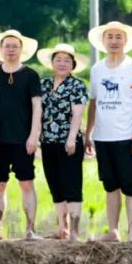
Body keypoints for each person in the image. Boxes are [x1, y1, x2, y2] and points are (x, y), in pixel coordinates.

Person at [84, 21, 132, 243]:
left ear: (126, 41)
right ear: (103, 41)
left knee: (130, 185)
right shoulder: (97, 69)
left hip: (127, 138)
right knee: (110, 185)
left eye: (118, 37)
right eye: (110, 37)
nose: (114, 41)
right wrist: (88, 132)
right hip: (102, 137)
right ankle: (113, 230)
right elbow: (94, 102)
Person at [0, 29, 41, 240]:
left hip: (23, 139)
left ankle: (31, 229)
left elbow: (37, 107)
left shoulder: (31, 75)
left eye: (14, 46)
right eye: (7, 46)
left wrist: (34, 135)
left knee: (26, 182)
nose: (10, 50)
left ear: (21, 49)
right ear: (1, 49)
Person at [36, 43, 89, 242]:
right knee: (55, 184)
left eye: (67, 60)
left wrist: (71, 138)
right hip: (48, 141)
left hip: (70, 141)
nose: (62, 63)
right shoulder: (45, 85)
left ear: (73, 65)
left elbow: (78, 114)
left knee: (72, 184)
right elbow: (38, 112)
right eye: (58, 59)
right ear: (52, 63)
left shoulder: (77, 85)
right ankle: (62, 228)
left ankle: (74, 231)